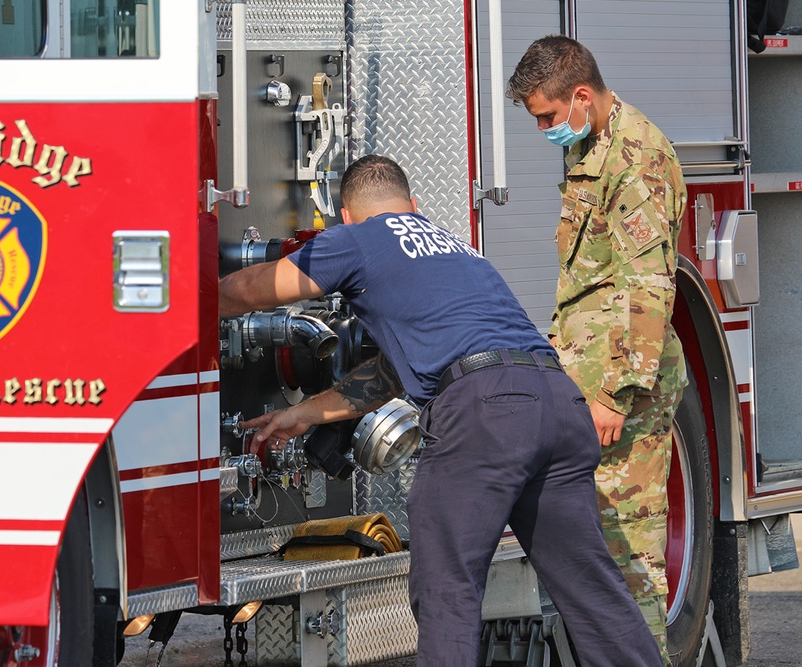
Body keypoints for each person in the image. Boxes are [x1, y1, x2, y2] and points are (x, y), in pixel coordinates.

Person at [218, 154, 661, 665]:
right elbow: (390, 373)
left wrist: (178, 292)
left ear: (345, 215)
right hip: (557, 401)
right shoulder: (456, 248)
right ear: (413, 205)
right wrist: (306, 414)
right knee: (592, 590)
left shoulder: (357, 238)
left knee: (447, 590)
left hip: (485, 413)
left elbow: (250, 290)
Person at [507, 35, 689, 662]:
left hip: (625, 395)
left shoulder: (634, 159)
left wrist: (614, 392)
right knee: (597, 549)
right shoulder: (592, 144)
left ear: (581, 95)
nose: (544, 130)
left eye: (548, 116)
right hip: (593, 382)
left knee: (626, 553)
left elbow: (647, 286)